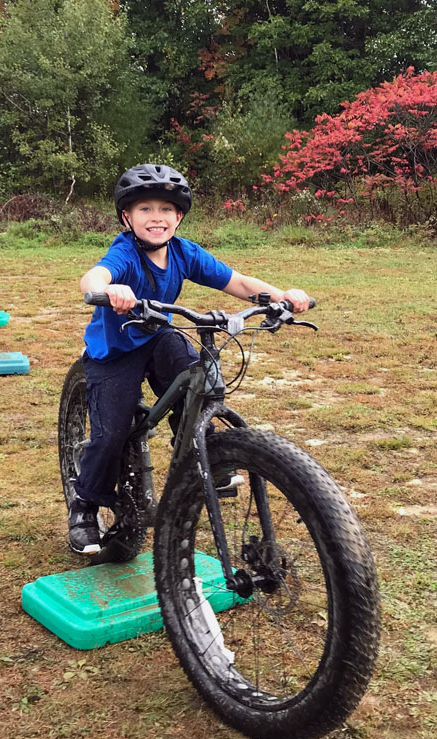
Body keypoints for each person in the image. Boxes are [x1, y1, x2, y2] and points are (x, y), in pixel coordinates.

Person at [68, 163, 310, 554]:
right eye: (145, 209)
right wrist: (109, 291)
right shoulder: (125, 253)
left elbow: (238, 283)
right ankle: (85, 504)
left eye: (165, 209)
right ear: (127, 217)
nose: (156, 217)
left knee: (198, 373)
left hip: (157, 335)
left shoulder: (185, 253)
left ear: (178, 217)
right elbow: (94, 276)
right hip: (114, 351)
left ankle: (207, 458)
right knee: (111, 430)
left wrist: (282, 296)